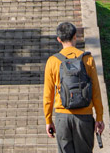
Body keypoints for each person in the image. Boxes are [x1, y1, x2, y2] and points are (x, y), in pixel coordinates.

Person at [43, 22, 104, 152]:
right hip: (84, 116)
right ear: (75, 36)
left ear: (59, 39)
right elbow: (96, 91)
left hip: (62, 116)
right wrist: (99, 117)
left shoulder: (52, 61)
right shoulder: (87, 59)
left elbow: (48, 95)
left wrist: (48, 120)